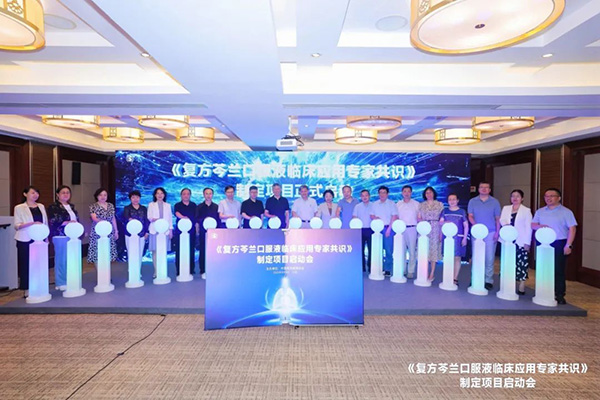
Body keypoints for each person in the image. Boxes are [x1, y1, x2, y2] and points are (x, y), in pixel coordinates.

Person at [532, 188, 577, 305]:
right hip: (543, 243)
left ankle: (559, 294)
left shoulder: (566, 212)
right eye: (546, 196)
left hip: (559, 242)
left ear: (559, 198)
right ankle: (543, 291)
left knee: (558, 269)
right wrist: (540, 226)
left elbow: (572, 229)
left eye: (551, 196)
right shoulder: (540, 211)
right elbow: (533, 224)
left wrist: (569, 245)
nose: (548, 198)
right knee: (543, 268)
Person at [14, 186, 48, 297]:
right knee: (26, 264)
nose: (35, 195)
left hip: (39, 238)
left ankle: (39, 285)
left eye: (37, 193)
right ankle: (27, 288)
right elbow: (17, 225)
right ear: (25, 194)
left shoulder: (41, 206)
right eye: (32, 193)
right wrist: (32, 223)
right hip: (25, 239)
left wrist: (46, 237)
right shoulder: (19, 207)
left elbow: (45, 222)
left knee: (39, 263)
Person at [467, 181, 501, 290]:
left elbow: (498, 219)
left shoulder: (495, 202)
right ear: (478, 189)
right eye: (482, 187)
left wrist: (497, 232)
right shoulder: (472, 201)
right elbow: (470, 216)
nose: (484, 189)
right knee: (476, 257)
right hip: (477, 233)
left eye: (486, 187)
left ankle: (488, 280)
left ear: (490, 190)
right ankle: (475, 278)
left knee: (489, 258)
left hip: (491, 233)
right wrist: (477, 227)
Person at [499, 189, 532, 295]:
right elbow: (502, 219)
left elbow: (528, 227)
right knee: (508, 262)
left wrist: (527, 242)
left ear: (522, 198)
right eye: (513, 196)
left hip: (520, 240)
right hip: (508, 239)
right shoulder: (506, 208)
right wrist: (506, 225)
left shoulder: (526, 210)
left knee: (521, 263)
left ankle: (522, 285)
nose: (515, 198)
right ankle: (508, 284)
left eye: (518, 196)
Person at [47, 185, 79, 291]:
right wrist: (67, 222)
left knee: (71, 259)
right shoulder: (53, 207)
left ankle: (71, 279)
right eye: (63, 192)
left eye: (68, 192)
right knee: (62, 259)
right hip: (60, 235)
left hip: (73, 236)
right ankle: (61, 282)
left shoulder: (71, 206)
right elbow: (53, 221)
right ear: (57, 195)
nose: (66, 194)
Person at [440, 193, 468, 285]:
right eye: (450, 199)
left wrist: (465, 238)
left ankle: (455, 278)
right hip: (447, 238)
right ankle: (447, 277)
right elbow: (440, 223)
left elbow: (466, 225)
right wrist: (445, 222)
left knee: (457, 258)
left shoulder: (462, 211)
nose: (452, 201)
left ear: (457, 200)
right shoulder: (445, 211)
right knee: (447, 257)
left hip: (458, 238)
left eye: (454, 199)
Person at [370, 186, 398, 276]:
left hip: (388, 228)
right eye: (380, 193)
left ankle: (388, 269)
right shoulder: (375, 204)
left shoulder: (391, 203)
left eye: (384, 192)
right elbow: (371, 215)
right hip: (377, 229)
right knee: (377, 249)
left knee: (388, 250)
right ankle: (378, 267)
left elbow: (394, 216)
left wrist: (389, 229)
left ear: (387, 194)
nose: (382, 194)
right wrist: (375, 217)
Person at [418, 186, 444, 282]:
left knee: (434, 251)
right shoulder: (421, 205)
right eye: (427, 193)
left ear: (434, 193)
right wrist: (422, 224)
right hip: (424, 228)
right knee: (424, 250)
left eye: (430, 192)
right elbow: (419, 217)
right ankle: (423, 271)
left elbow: (442, 219)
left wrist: (441, 233)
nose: (429, 194)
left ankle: (432, 273)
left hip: (436, 228)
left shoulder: (440, 204)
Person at [88, 188, 119, 265]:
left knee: (108, 251)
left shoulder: (111, 205)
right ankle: (99, 270)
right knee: (97, 251)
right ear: (97, 196)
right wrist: (104, 223)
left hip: (109, 230)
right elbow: (94, 218)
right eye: (100, 195)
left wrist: (116, 231)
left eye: (105, 195)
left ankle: (106, 270)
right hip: (98, 231)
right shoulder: (93, 206)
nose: (103, 197)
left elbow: (113, 218)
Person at [148, 187, 173, 278]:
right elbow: (149, 217)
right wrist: (158, 220)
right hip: (154, 231)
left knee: (163, 251)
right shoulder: (151, 205)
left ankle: (162, 270)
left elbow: (170, 219)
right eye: (158, 193)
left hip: (165, 231)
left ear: (164, 195)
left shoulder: (168, 205)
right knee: (155, 251)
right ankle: (156, 271)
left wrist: (170, 230)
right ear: (155, 195)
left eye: (161, 193)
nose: (160, 195)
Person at [396, 185, 420, 278]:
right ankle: (402, 269)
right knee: (401, 251)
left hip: (412, 229)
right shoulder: (398, 204)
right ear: (402, 193)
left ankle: (411, 271)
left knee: (412, 250)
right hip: (400, 230)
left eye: (408, 191)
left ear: (411, 193)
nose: (406, 193)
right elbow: (395, 217)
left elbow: (419, 217)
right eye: (404, 191)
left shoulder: (416, 204)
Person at [196, 188, 219, 279]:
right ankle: (202, 269)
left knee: (213, 251)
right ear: (203, 194)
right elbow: (197, 219)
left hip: (214, 233)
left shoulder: (216, 207)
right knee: (203, 250)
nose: (208, 195)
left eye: (210, 193)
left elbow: (218, 220)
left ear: (212, 195)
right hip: (203, 232)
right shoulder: (199, 207)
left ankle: (213, 268)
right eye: (206, 193)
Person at [174, 188, 197, 275]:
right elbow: (177, 213)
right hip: (180, 232)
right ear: (181, 195)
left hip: (191, 231)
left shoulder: (194, 205)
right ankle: (179, 270)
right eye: (184, 194)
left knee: (191, 249)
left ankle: (191, 269)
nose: (186, 195)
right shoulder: (177, 205)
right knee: (179, 250)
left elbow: (196, 217)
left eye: (188, 194)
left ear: (190, 195)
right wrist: (183, 218)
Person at [123, 190, 149, 263]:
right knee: (131, 251)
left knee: (140, 252)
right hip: (129, 234)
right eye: (133, 197)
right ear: (130, 199)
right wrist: (131, 220)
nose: (135, 199)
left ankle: (138, 268)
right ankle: (131, 268)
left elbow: (146, 221)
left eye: (137, 197)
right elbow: (126, 217)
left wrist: (147, 232)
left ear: (140, 198)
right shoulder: (127, 208)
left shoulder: (144, 208)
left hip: (142, 233)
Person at [352, 189, 374, 272]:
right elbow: (354, 217)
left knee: (371, 249)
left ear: (369, 196)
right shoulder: (357, 206)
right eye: (363, 196)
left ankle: (371, 267)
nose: (365, 197)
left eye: (366, 195)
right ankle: (362, 267)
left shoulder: (374, 205)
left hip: (371, 229)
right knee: (360, 250)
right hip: (360, 230)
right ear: (360, 197)